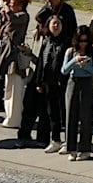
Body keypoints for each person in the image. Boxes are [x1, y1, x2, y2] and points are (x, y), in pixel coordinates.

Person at [0, 0, 34, 135]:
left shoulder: (24, 16)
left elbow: (12, 19)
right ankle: (9, 117)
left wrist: (6, 8)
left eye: (13, 4)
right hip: (8, 55)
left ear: (19, 5)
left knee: (15, 88)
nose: (10, 6)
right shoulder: (15, 16)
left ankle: (15, 119)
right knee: (9, 87)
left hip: (16, 58)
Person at [61, 28, 93, 161]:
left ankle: (85, 149)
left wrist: (86, 67)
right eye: (80, 41)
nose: (83, 44)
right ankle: (71, 148)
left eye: (85, 41)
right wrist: (75, 61)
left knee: (86, 117)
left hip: (86, 83)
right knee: (70, 116)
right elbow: (64, 70)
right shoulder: (70, 51)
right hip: (73, 83)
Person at [34, 15, 70, 153]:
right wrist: (39, 82)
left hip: (63, 83)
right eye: (53, 24)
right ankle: (55, 140)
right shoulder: (47, 42)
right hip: (49, 83)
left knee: (64, 112)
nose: (56, 26)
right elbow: (41, 63)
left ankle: (68, 141)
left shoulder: (66, 43)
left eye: (58, 24)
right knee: (52, 113)